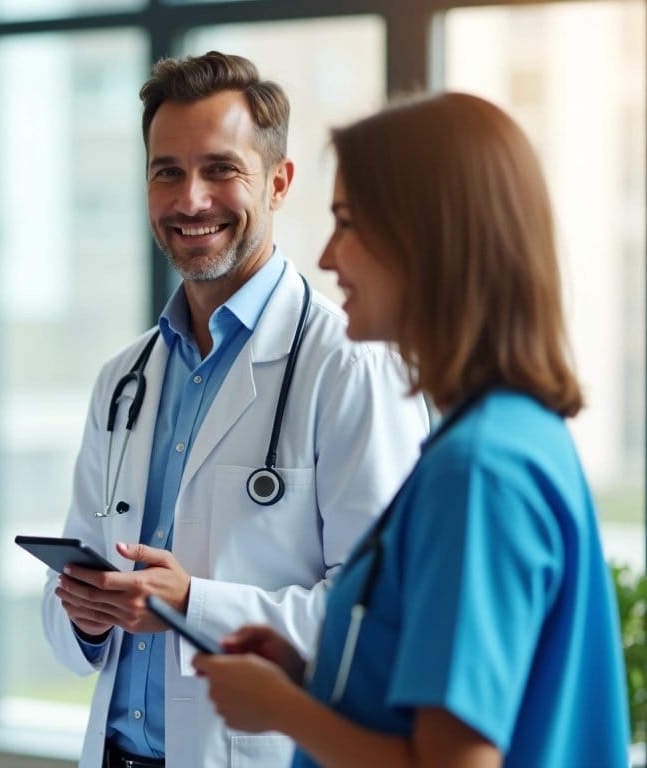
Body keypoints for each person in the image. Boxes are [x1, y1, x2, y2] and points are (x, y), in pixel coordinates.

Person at [194, 91, 630, 768]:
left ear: (426, 240)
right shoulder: (506, 436)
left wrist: (282, 711)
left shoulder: (480, 470)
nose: (327, 255)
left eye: (346, 223)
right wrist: (311, 677)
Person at [39, 52, 431, 768]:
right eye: (167, 172)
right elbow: (67, 620)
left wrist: (192, 603)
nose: (190, 200)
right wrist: (85, 614)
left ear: (278, 183)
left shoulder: (348, 362)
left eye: (221, 169)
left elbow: (378, 617)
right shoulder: (123, 379)